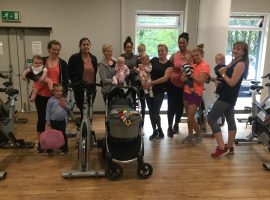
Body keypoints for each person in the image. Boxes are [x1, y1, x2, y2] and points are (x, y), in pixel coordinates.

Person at [207, 41, 249, 158]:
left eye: (239, 49)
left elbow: (232, 82)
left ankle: (221, 147)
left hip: (227, 96)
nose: (235, 50)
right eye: (234, 48)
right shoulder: (234, 60)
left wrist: (223, 74)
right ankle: (229, 147)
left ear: (244, 52)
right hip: (228, 94)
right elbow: (225, 73)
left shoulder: (241, 64)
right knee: (230, 120)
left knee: (211, 118)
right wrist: (219, 77)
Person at [35, 40, 69, 153]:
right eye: (53, 49)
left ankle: (55, 142)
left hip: (56, 97)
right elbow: (34, 74)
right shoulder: (42, 61)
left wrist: (63, 96)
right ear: (49, 49)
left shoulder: (63, 63)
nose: (55, 51)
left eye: (58, 50)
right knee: (42, 119)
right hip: (41, 94)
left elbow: (65, 82)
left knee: (56, 122)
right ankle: (41, 143)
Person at [181, 44, 210, 144]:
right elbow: (184, 78)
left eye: (197, 55)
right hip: (186, 92)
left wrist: (191, 75)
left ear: (202, 55)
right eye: (193, 56)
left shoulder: (205, 66)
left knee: (190, 117)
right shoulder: (193, 65)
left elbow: (201, 81)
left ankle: (198, 134)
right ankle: (190, 135)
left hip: (195, 94)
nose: (195, 57)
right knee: (189, 118)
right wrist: (183, 77)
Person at [144, 44, 173, 141]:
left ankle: (160, 129)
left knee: (155, 112)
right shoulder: (154, 60)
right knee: (151, 112)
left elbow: (165, 78)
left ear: (166, 52)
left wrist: (151, 83)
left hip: (159, 91)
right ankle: (155, 131)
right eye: (159, 50)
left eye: (162, 50)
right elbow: (146, 66)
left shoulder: (169, 64)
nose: (160, 52)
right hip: (148, 91)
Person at [167, 32, 192, 137]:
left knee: (180, 107)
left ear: (187, 43)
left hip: (185, 85)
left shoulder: (191, 55)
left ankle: (176, 124)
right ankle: (169, 126)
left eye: (183, 42)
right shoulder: (174, 55)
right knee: (171, 106)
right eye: (180, 43)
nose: (181, 44)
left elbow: (195, 67)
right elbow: (168, 66)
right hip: (172, 84)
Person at [68, 37, 98, 121]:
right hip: (79, 86)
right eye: (84, 44)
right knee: (82, 107)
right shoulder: (74, 58)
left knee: (89, 106)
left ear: (90, 46)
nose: (86, 46)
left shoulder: (93, 58)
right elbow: (69, 72)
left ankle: (87, 123)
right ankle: (83, 121)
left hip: (91, 86)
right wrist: (75, 81)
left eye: (88, 44)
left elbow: (95, 71)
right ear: (80, 46)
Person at [121, 36, 146, 126]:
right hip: (125, 84)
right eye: (127, 47)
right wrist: (132, 70)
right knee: (128, 103)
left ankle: (140, 122)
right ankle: (128, 123)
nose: (129, 49)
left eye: (130, 47)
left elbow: (141, 67)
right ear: (124, 48)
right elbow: (121, 70)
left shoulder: (136, 57)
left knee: (140, 102)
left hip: (136, 82)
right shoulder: (122, 57)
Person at [45, 83, 69, 155]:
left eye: (61, 91)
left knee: (62, 134)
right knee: (52, 135)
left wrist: (65, 105)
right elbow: (48, 111)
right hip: (53, 120)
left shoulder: (64, 99)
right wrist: (48, 121)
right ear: (53, 92)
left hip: (62, 121)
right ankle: (50, 149)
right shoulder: (50, 100)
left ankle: (64, 149)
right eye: (57, 91)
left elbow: (69, 108)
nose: (59, 93)